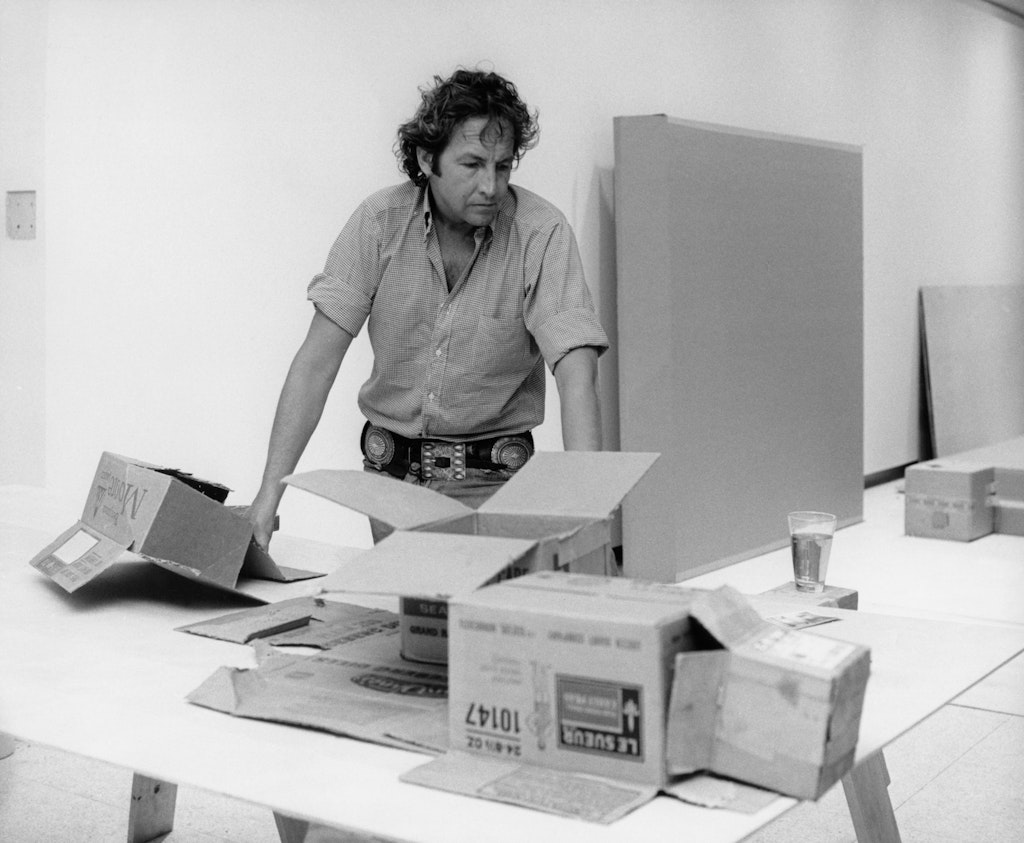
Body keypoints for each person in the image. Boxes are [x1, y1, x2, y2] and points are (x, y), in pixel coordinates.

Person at [249, 67, 608, 550]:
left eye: (503, 166)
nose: (491, 185)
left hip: (495, 484)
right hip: (388, 481)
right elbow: (316, 364)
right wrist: (268, 496)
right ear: (427, 157)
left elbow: (576, 373)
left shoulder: (541, 232)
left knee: (480, 620)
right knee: (411, 619)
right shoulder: (379, 222)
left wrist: (587, 512)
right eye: (472, 164)